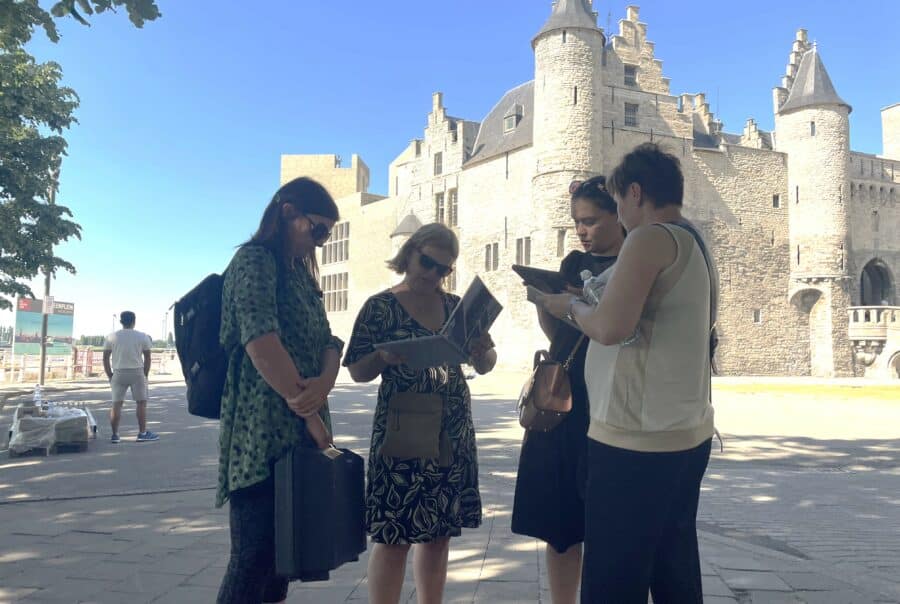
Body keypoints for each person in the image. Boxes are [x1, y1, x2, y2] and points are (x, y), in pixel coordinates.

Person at [535, 143, 717, 603]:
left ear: (635, 193)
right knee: (674, 571)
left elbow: (610, 328)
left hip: (635, 440)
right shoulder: (693, 240)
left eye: (617, 202)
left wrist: (566, 305)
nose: (618, 214)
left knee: (612, 580)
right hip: (684, 435)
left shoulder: (648, 237)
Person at [343, 223, 497, 604]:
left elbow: (487, 364)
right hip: (403, 430)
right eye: (427, 263)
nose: (432, 274)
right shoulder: (379, 307)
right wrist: (382, 357)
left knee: (439, 534)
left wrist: (483, 352)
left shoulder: (457, 307)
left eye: (443, 269)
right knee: (394, 536)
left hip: (451, 429)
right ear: (409, 252)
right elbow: (357, 371)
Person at [216, 177, 344, 604]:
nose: (321, 242)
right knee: (252, 559)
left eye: (328, 234)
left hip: (301, 429)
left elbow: (328, 340)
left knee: (280, 562)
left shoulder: (300, 274)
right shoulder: (254, 260)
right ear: (288, 212)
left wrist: (325, 382)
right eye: (318, 229)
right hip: (260, 434)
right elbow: (261, 342)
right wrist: (310, 413)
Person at [511, 176, 625, 604]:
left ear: (618, 214)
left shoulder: (635, 261)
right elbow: (556, 331)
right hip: (565, 394)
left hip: (613, 394)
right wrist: (548, 303)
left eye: (591, 221)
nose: (581, 230)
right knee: (561, 522)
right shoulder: (573, 261)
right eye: (577, 221)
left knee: (612, 519)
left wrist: (583, 304)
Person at [103, 311, 157, 443]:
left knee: (116, 404)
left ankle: (115, 435)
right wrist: (145, 374)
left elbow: (105, 358)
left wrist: (110, 375)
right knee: (141, 403)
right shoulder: (142, 336)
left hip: (118, 372)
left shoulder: (111, 337)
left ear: (121, 322)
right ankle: (142, 433)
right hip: (137, 372)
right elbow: (148, 357)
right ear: (134, 321)